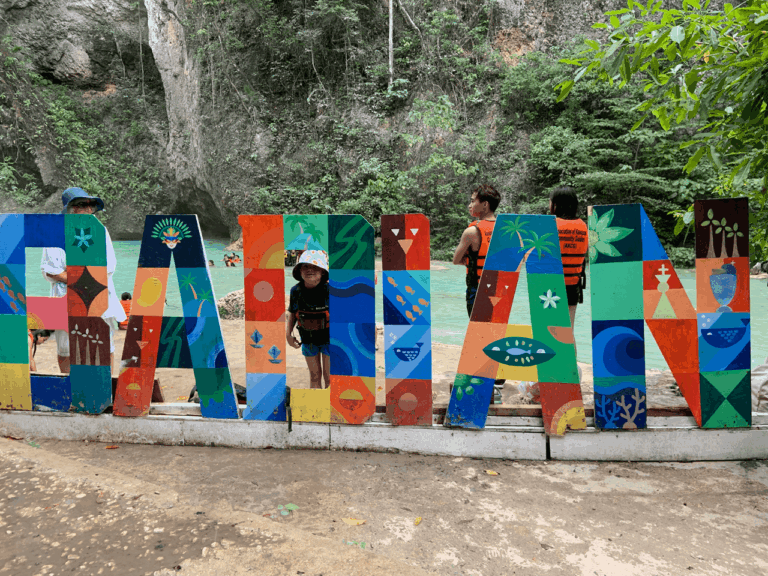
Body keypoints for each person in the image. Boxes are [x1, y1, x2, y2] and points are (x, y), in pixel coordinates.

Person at [40, 188, 127, 374]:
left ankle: (106, 389)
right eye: (82, 205)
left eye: (91, 205)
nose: (88, 209)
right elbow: (50, 270)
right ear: (70, 209)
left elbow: (108, 266)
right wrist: (86, 274)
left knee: (105, 344)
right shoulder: (55, 232)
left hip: (99, 296)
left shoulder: (101, 231)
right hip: (65, 299)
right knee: (65, 348)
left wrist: (70, 273)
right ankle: (69, 388)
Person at [452, 184, 504, 404]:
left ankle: (483, 383)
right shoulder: (506, 228)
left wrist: (470, 260)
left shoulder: (472, 231)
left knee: (479, 334)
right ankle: (498, 381)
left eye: (473, 200)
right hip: (501, 288)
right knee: (496, 333)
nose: (470, 204)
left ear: (485, 204)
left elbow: (456, 259)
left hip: (478, 289)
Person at [286, 250, 331, 389]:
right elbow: (293, 313)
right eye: (305, 266)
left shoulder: (331, 289)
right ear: (299, 271)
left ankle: (330, 409)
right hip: (308, 340)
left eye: (315, 266)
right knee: (314, 376)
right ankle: (316, 410)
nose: (310, 269)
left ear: (323, 271)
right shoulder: (296, 291)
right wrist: (288, 335)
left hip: (330, 340)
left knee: (329, 377)